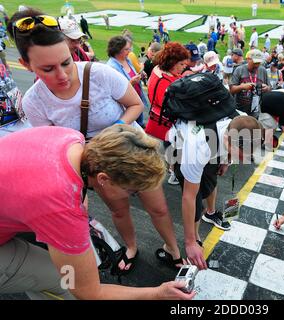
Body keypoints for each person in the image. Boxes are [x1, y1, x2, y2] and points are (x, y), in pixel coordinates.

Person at [8, 9, 183, 273]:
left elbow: (135, 105)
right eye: (47, 69)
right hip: (97, 164)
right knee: (119, 211)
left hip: (133, 151)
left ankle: (174, 249)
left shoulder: (98, 73)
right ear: (25, 64)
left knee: (158, 208)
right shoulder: (34, 101)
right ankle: (132, 247)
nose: (63, 75)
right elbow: (53, 148)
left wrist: (114, 131)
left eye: (66, 62)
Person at [0, 125, 194, 300]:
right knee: (64, 278)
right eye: (132, 191)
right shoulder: (62, 205)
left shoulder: (71, 138)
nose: (132, 196)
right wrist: (157, 293)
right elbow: (89, 292)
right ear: (103, 178)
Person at [167, 114, 266, 270]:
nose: (243, 159)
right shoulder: (199, 147)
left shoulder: (244, 121)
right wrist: (190, 242)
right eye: (239, 155)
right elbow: (189, 198)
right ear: (227, 139)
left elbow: (234, 145)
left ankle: (210, 214)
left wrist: (226, 161)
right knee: (197, 198)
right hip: (181, 145)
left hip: (214, 146)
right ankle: (189, 240)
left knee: (210, 183)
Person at [107, 36, 147, 127]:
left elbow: (131, 74)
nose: (129, 52)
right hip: (127, 107)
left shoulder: (127, 60)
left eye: (129, 49)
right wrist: (131, 83)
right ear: (117, 50)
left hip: (136, 100)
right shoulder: (112, 67)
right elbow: (113, 92)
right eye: (126, 49)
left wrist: (139, 74)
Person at [229, 49, 270, 118]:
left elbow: (269, 88)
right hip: (239, 111)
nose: (257, 65)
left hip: (256, 111)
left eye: (259, 63)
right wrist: (242, 87)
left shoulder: (263, 70)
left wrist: (267, 88)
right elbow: (231, 90)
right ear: (248, 59)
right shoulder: (239, 70)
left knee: (254, 128)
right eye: (255, 63)